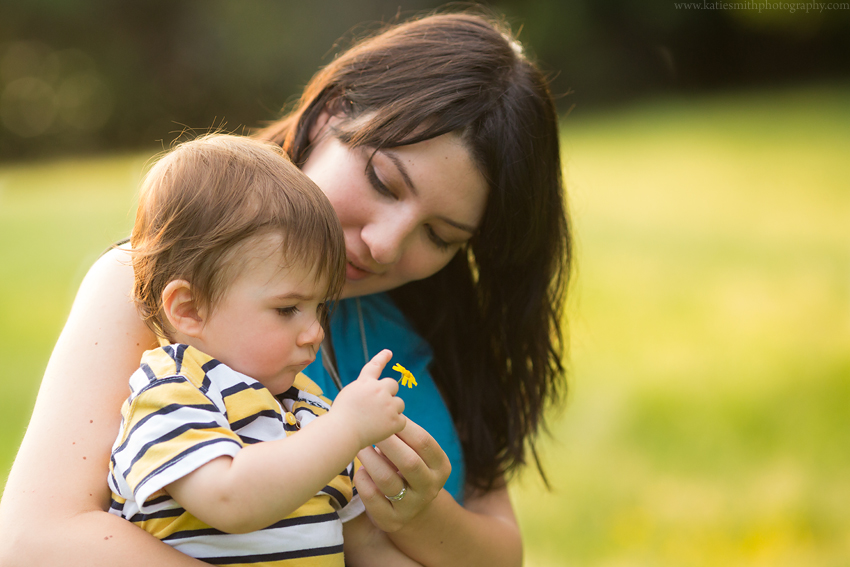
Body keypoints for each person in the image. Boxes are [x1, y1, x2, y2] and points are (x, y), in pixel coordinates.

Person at [0, 10, 571, 567]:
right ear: (328, 115)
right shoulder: (154, 287)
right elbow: (37, 538)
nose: (386, 245)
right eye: (382, 181)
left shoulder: (437, 321)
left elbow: (502, 551)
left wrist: (413, 512)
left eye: (441, 236)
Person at [108, 133, 409, 566]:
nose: (314, 333)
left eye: (318, 307)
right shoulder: (171, 392)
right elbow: (229, 500)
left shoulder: (310, 414)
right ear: (190, 310)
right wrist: (347, 429)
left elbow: (367, 549)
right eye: (288, 308)